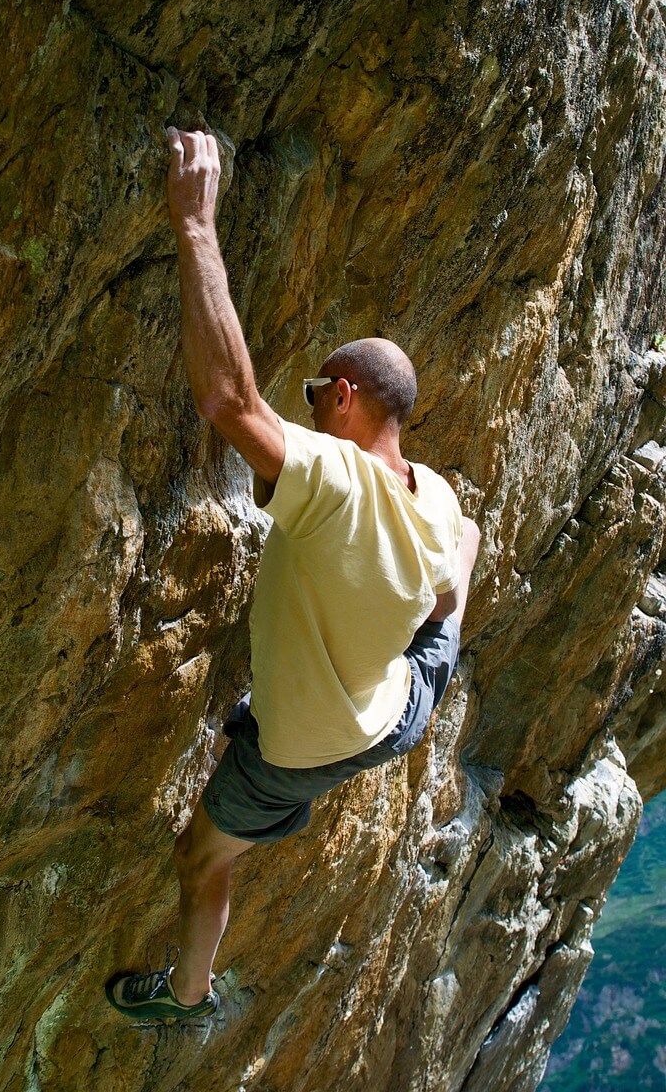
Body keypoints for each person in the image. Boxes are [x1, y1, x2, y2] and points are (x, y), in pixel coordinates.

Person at [105, 129, 481, 1023]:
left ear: (345, 396)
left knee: (202, 859)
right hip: (400, 712)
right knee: (458, 570)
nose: (306, 404)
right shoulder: (435, 498)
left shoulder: (331, 481)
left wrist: (196, 223)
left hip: (304, 750)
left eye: (315, 392)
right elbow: (446, 579)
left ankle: (188, 995)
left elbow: (228, 402)